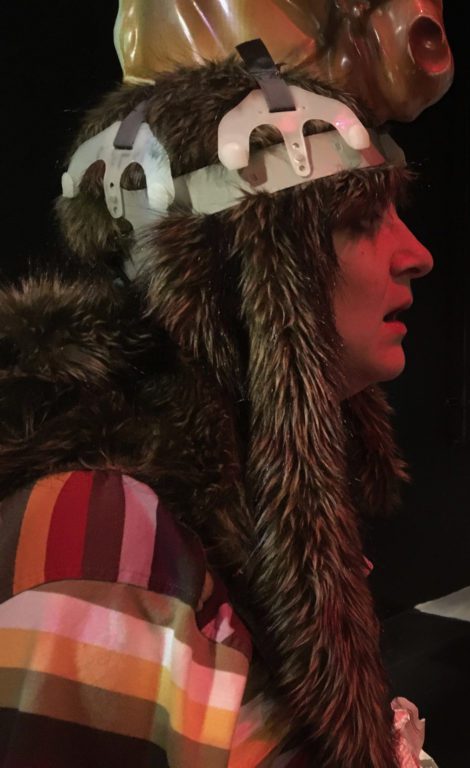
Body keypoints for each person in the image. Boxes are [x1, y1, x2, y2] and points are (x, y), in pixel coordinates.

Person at [0, 50, 435, 767]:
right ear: (234, 266)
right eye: (360, 217)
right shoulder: (99, 535)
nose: (416, 254)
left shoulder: (233, 499)